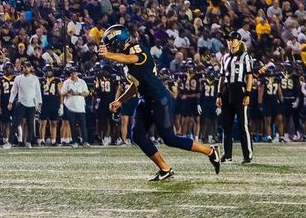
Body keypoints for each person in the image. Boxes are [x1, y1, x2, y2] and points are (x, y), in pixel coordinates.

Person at [99, 25, 221, 182]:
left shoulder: (136, 49)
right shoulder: (126, 55)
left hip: (158, 98)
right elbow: (136, 84)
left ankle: (210, 151)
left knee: (169, 138)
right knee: (137, 135)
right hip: (145, 98)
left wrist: (109, 55)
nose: (110, 48)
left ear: (119, 42)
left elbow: (131, 59)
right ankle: (165, 169)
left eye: (111, 45)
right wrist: (120, 100)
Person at [217, 32, 255, 164]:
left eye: (233, 40)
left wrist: (248, 93)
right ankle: (227, 155)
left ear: (238, 41)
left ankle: (247, 155)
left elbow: (250, 75)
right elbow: (221, 77)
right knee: (226, 125)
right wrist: (219, 94)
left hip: (239, 90)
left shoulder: (245, 56)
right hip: (227, 90)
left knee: (242, 125)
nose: (230, 42)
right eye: (229, 40)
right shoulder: (225, 57)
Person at [7, 60, 41, 146]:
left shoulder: (35, 78)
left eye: (27, 67)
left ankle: (28, 142)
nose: (26, 69)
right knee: (15, 123)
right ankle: (9, 142)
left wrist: (39, 103)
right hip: (21, 103)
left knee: (30, 124)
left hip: (32, 104)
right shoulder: (18, 78)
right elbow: (14, 91)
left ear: (30, 68)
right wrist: (10, 102)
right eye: (24, 67)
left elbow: (38, 92)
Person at [60, 65, 90, 146]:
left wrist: (78, 93)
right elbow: (62, 93)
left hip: (80, 106)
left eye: (74, 73)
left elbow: (87, 93)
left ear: (77, 73)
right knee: (72, 125)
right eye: (71, 73)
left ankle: (85, 141)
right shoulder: (66, 82)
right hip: (70, 106)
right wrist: (68, 92)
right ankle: (75, 141)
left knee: (83, 125)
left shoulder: (82, 82)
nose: (73, 75)